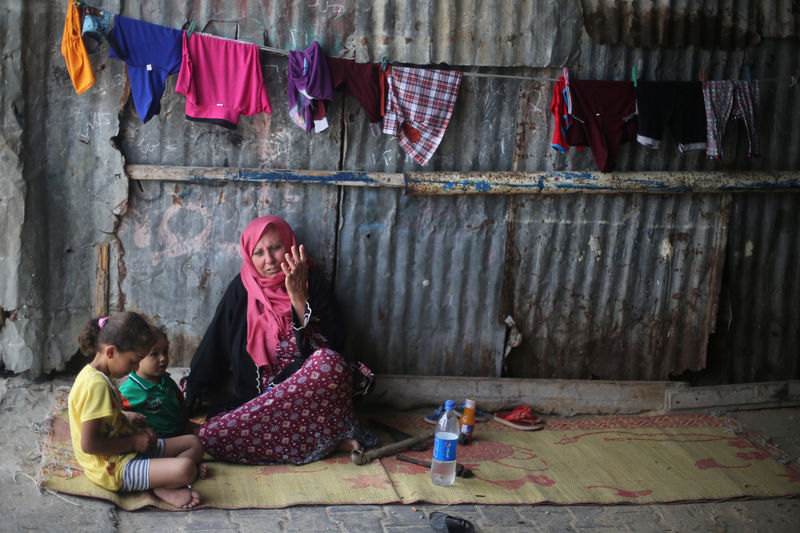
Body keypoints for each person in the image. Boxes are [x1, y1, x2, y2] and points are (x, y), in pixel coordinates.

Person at [184, 215, 375, 465]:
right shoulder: (242, 288)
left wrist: (298, 301)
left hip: (313, 405)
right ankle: (329, 442)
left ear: (290, 246)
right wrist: (193, 392)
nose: (270, 260)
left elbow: (334, 344)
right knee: (210, 436)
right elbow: (216, 342)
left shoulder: (312, 283)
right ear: (249, 257)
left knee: (328, 362)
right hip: (267, 406)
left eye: (276, 248)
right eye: (259, 253)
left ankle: (311, 438)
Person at [68, 312, 207, 509]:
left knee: (193, 443)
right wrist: (133, 442)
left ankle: (162, 476)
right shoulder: (96, 386)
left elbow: (99, 418)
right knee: (186, 469)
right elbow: (89, 445)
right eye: (134, 361)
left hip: (128, 450)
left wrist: (126, 418)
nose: (135, 367)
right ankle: (161, 485)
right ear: (111, 352)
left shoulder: (99, 374)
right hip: (113, 468)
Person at [119, 326, 199, 437]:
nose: (163, 358)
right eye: (154, 354)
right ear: (137, 358)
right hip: (156, 442)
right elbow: (113, 415)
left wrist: (187, 425)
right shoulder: (127, 391)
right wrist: (126, 415)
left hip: (179, 434)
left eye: (165, 351)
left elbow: (181, 406)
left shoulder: (167, 381)